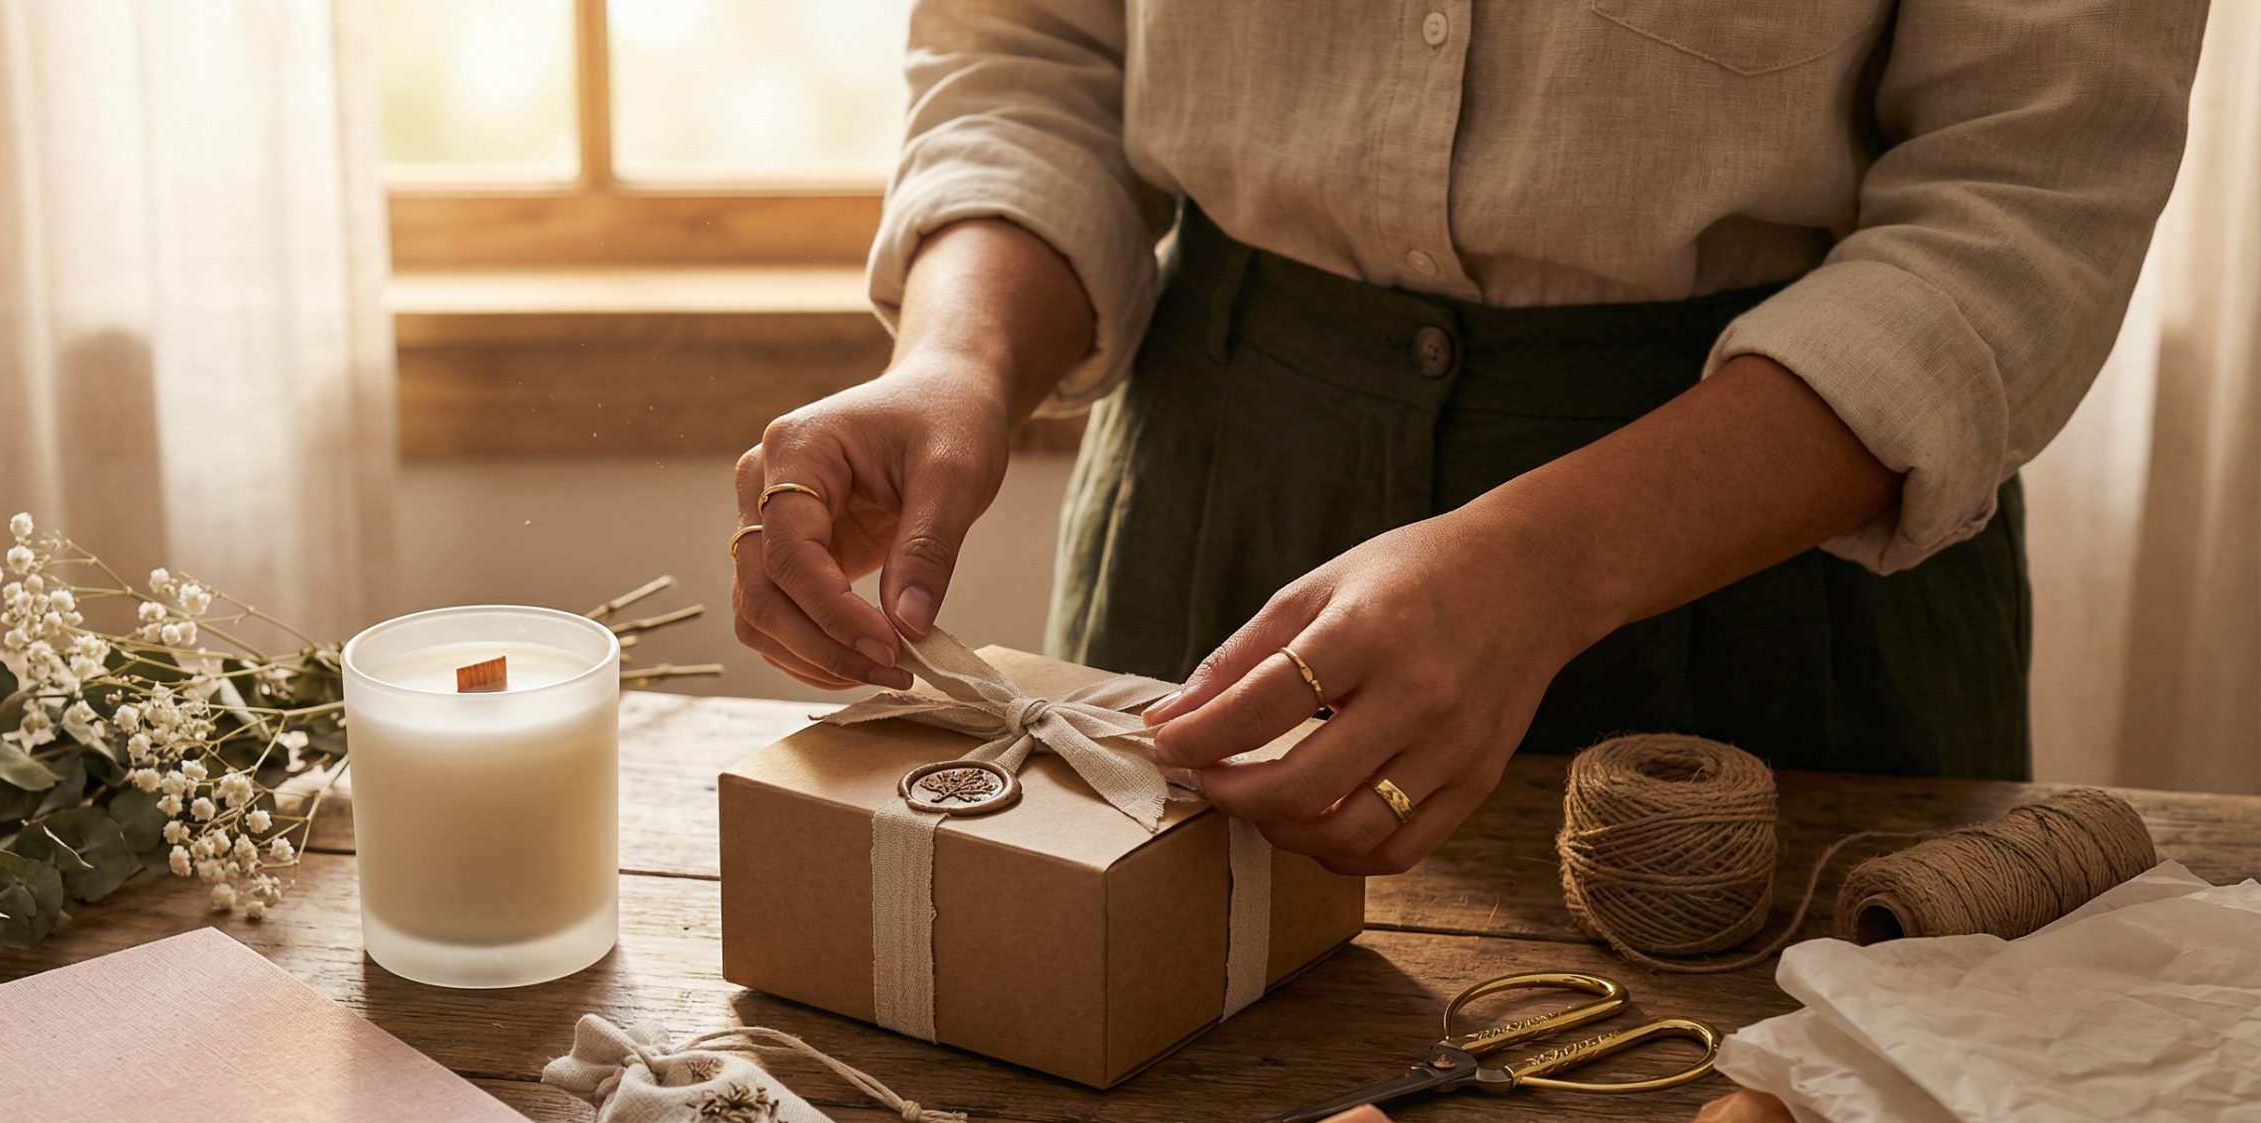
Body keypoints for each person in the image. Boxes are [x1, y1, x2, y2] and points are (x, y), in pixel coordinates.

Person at [727, 2, 2205, 875]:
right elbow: (1035, 52)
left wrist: (1544, 563)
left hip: (1780, 577)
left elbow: (2029, 198)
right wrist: (958, 361)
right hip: (1216, 524)